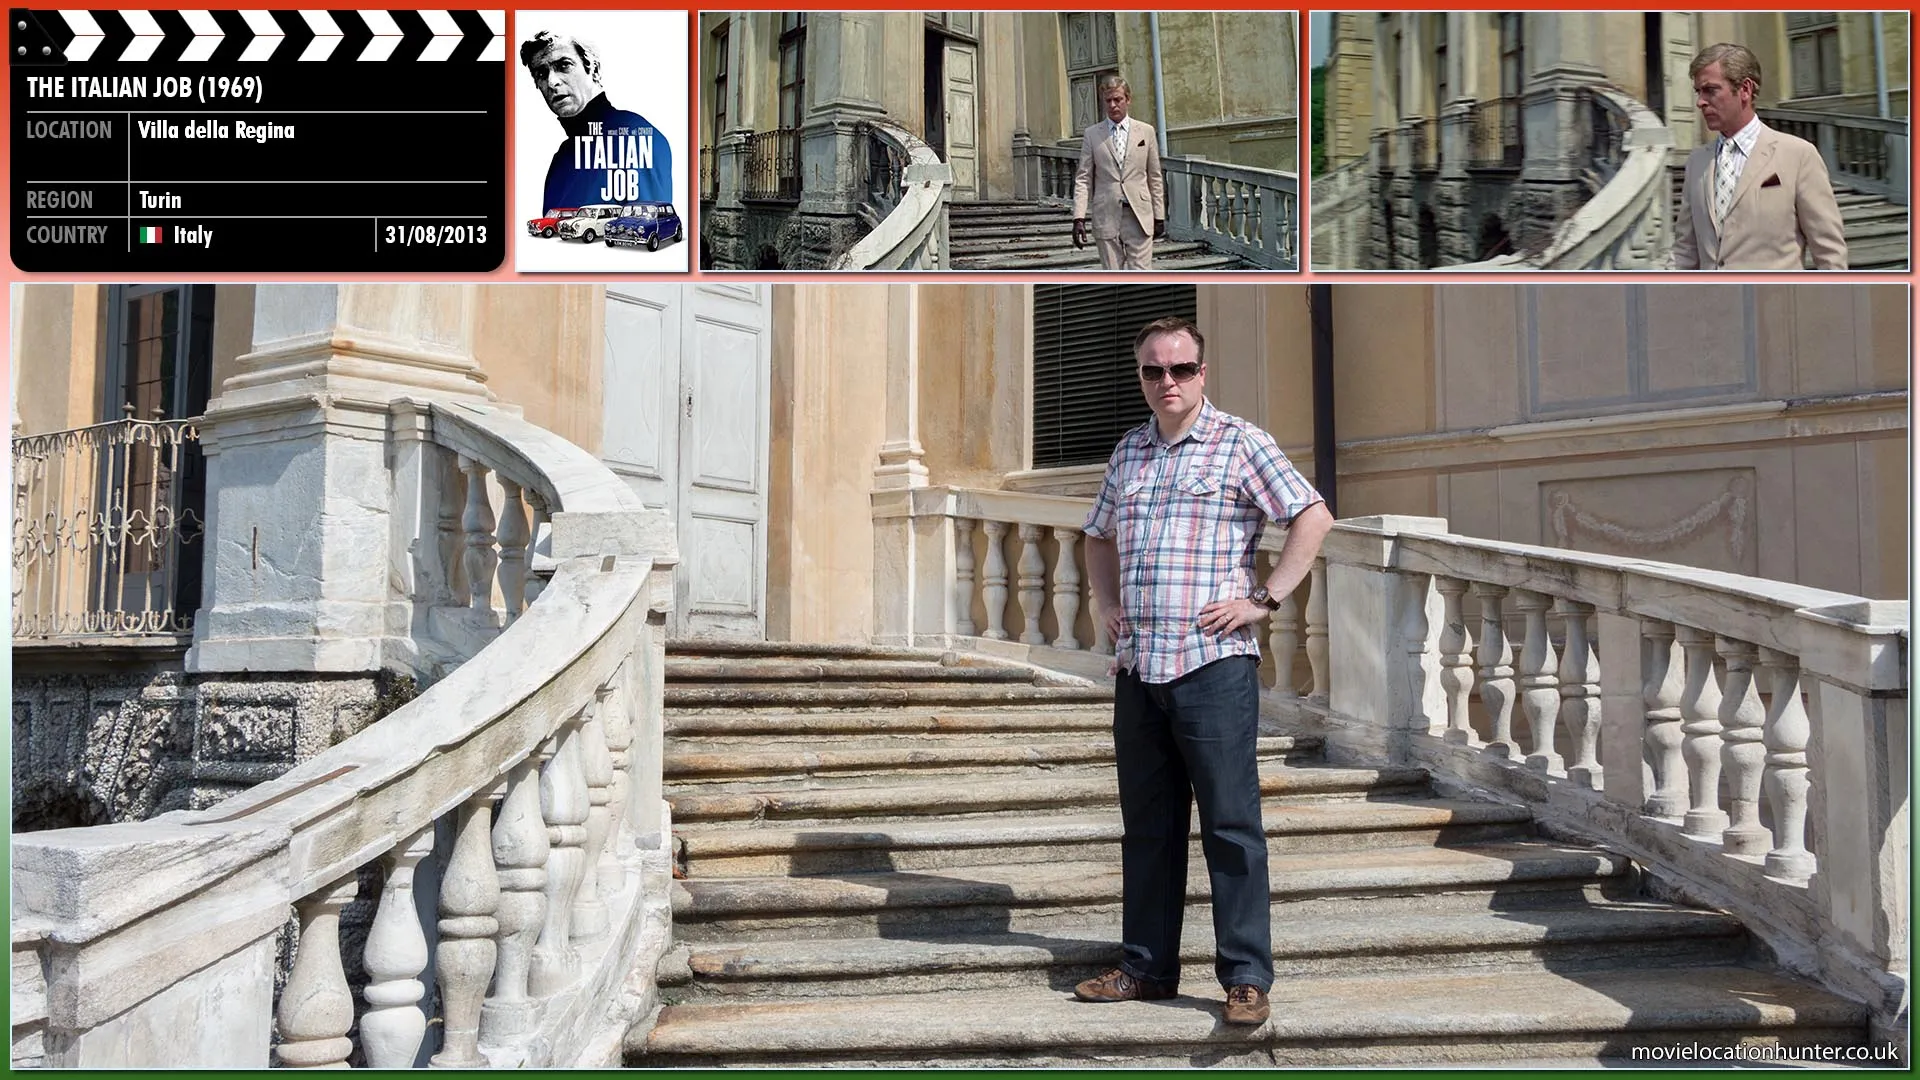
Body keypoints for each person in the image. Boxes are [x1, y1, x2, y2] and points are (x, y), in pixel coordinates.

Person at [1075, 316, 1334, 1026]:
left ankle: (1246, 978)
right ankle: (1146, 967)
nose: (1168, 382)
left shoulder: (1240, 442)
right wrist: (1105, 604)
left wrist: (1263, 598)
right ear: (1142, 377)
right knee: (1149, 828)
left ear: (1203, 373)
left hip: (1212, 667)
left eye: (1181, 369)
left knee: (1229, 825)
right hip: (1141, 668)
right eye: (1154, 371)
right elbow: (1096, 535)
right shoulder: (1130, 452)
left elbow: (1312, 514)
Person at [1670, 43, 1846, 270]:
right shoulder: (1697, 163)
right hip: (1711, 303)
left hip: (1777, 303)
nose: (1700, 102)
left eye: (1710, 90)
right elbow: (1685, 250)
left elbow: (1830, 255)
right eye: (1698, 92)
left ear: (1745, 89)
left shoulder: (1798, 155)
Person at [521, 30, 674, 218]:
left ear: (594, 69)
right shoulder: (562, 158)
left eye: (563, 65)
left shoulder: (635, 137)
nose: (552, 82)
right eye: (542, 73)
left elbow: (645, 231)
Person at [1072, 75, 1166, 270]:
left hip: (1139, 214)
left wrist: (1159, 215)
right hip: (1106, 214)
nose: (1113, 105)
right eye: (1108, 101)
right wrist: (1078, 218)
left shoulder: (1146, 132)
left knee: (1141, 274)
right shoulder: (1092, 134)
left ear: (1128, 99)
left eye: (1118, 99)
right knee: (1112, 276)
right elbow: (1083, 178)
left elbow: (1154, 177)